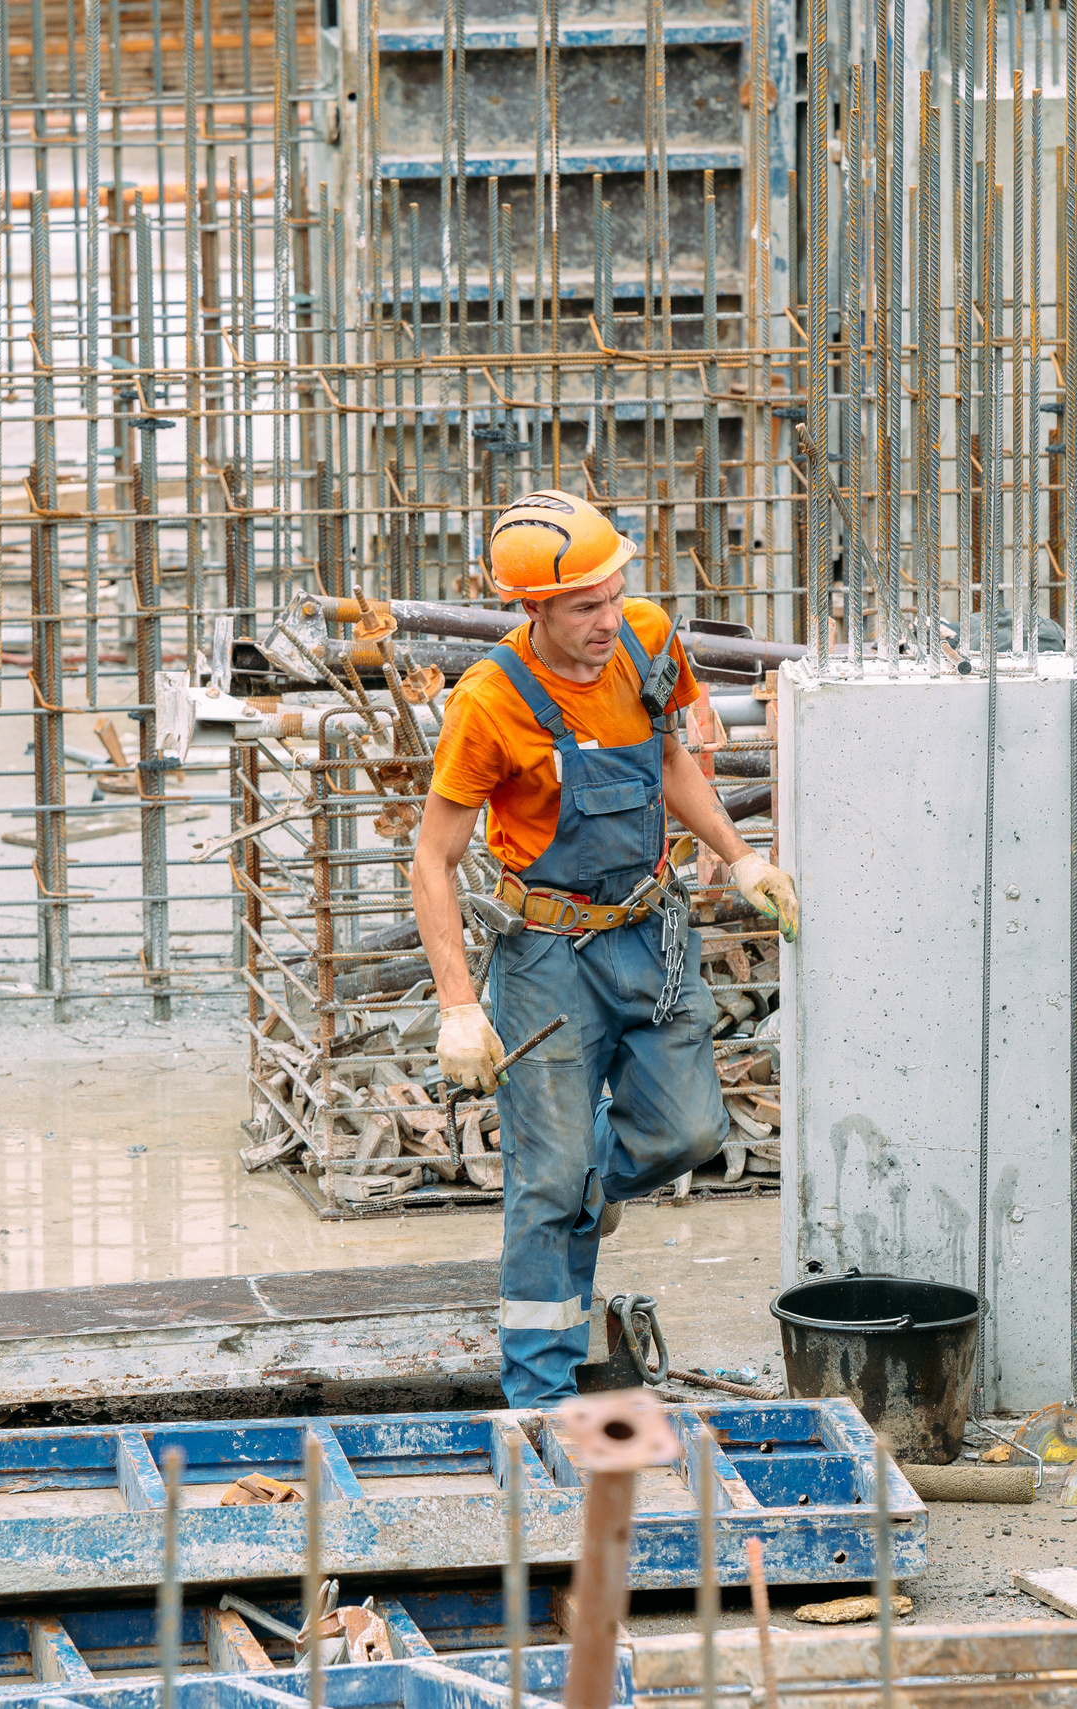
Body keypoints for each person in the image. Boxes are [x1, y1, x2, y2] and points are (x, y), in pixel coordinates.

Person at [409, 489, 802, 1406]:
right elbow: (433, 858)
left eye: (615, 591)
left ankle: (588, 1177)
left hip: (650, 934)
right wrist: (459, 1005)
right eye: (584, 605)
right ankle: (540, 1402)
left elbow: (669, 758)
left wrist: (740, 858)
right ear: (531, 609)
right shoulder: (489, 705)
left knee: (688, 1132)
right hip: (545, 954)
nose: (607, 617)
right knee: (543, 1185)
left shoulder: (648, 639)